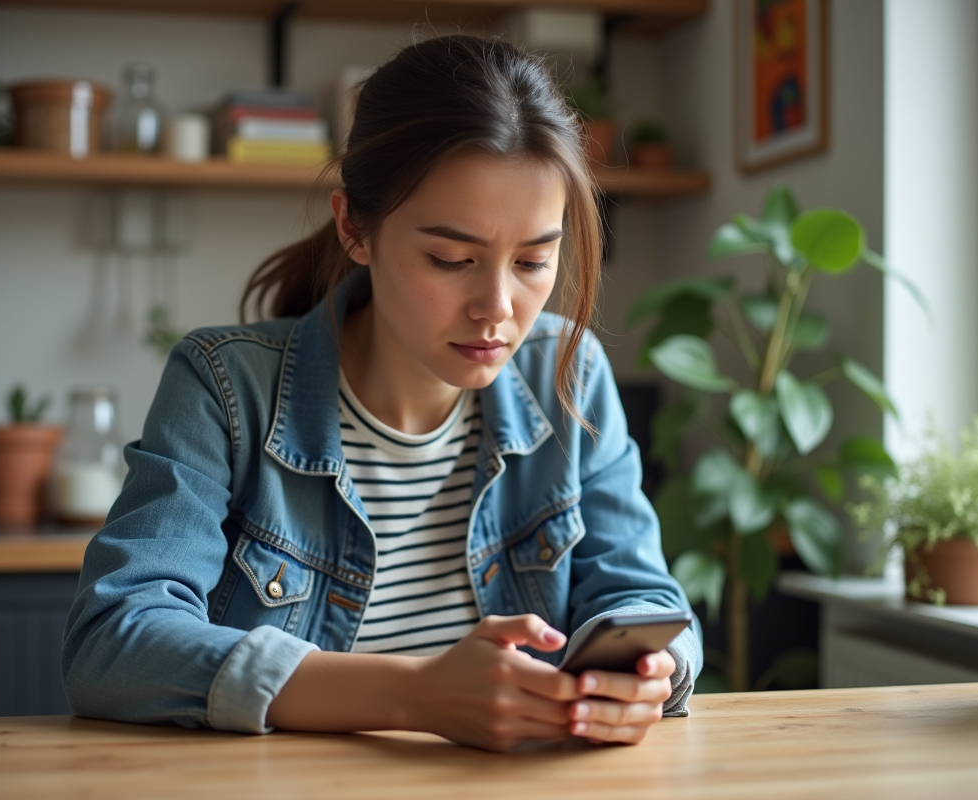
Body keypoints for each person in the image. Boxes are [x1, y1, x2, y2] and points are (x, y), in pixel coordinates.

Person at [62, 34, 701, 752]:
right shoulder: (223, 387)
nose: (497, 307)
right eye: (451, 259)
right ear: (353, 227)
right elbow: (113, 641)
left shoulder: (570, 373)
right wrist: (413, 695)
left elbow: (641, 595)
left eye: (532, 261)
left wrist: (655, 669)